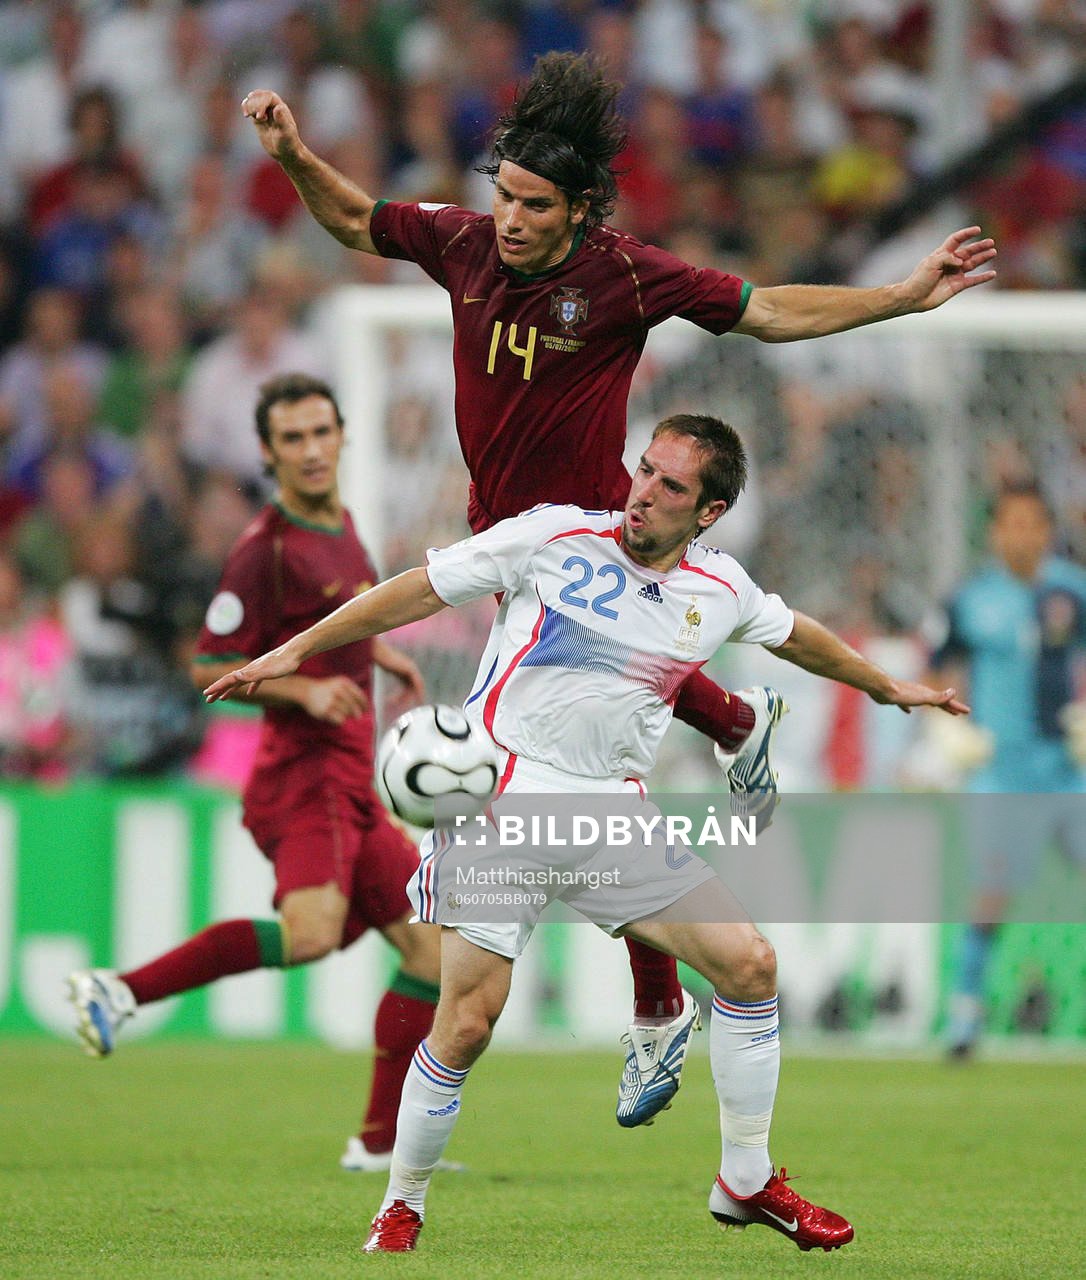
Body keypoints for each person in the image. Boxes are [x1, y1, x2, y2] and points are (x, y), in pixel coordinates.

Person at [241, 50, 996, 1125]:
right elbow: (359, 221)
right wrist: (297, 156)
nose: (506, 218)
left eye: (532, 204)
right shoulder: (461, 240)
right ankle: (731, 731)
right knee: (583, 788)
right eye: (502, 194)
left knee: (572, 778)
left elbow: (769, 311)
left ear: (580, 210)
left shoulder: (625, 274)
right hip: (511, 540)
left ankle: (658, 1004)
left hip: (598, 539)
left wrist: (900, 298)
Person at [204, 412, 969, 1254]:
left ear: (707, 513)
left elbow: (802, 639)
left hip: (610, 812)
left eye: (671, 485)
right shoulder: (552, 535)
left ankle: (745, 1179)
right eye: (645, 470)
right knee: (466, 1022)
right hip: (501, 799)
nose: (643, 492)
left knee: (750, 964)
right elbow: (421, 586)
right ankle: (401, 1206)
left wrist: (891, 687)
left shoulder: (719, 590)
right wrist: (294, 651)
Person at [68, 373, 450, 1173]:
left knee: (430, 953)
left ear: (342, 435)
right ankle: (120, 992)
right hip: (301, 777)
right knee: (312, 936)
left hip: (351, 779)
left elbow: (328, 623)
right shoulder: (262, 552)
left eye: (321, 432)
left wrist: (378, 651)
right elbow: (210, 660)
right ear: (270, 453)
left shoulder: (343, 525)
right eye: (293, 439)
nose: (311, 451)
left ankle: (379, 1147)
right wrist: (306, 688)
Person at [927, 482, 1086, 1058]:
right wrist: (948, 727)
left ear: (1048, 530)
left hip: (1065, 768)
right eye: (1011, 524)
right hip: (1001, 771)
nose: (1023, 535)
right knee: (991, 892)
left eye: (1033, 524)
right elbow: (939, 664)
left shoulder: (1072, 590)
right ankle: (966, 1016)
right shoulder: (970, 599)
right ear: (995, 533)